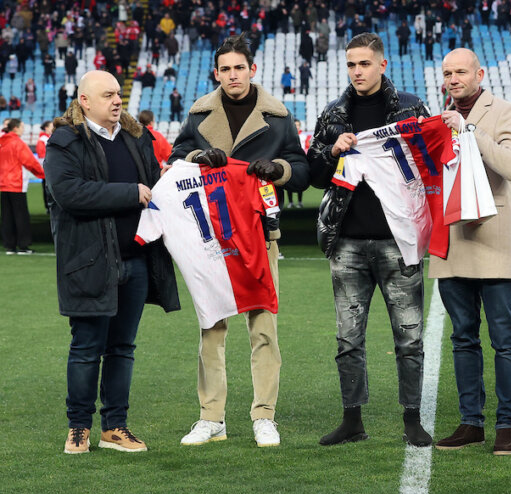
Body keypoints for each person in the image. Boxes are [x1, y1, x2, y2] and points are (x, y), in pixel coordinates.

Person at [169, 33, 309, 448]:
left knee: (263, 326)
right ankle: (211, 417)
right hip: (210, 239)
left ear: (252, 69)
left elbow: (302, 170)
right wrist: (197, 158)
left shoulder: (279, 117)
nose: (233, 75)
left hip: (260, 234)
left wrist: (278, 168)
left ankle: (264, 415)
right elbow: (175, 160)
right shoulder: (197, 117)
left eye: (239, 67)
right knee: (211, 328)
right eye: (225, 69)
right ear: (217, 73)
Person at [306, 33, 433, 448]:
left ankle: (412, 419)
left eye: (364, 63)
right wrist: (332, 151)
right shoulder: (333, 114)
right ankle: (352, 419)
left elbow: (431, 164)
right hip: (347, 243)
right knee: (348, 339)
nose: (357, 71)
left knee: (410, 338)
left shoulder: (411, 108)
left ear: (381, 64)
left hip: (399, 242)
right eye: (350, 65)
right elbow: (313, 174)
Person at [45, 71, 180, 453]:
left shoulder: (135, 138)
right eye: (107, 95)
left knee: (122, 347)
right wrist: (130, 192)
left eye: (119, 93)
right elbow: (70, 193)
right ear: (84, 101)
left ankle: (115, 426)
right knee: (86, 346)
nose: (117, 100)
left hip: (135, 261)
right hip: (89, 262)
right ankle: (78, 428)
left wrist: (162, 178)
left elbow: (151, 184)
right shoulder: (64, 141)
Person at [431, 48, 511, 456]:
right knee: (462, 338)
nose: (453, 79)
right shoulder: (437, 119)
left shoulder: (506, 112)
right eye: (448, 73)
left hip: (493, 235)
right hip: (450, 239)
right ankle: (471, 421)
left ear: (479, 73)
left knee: (504, 338)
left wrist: (469, 130)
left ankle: (507, 425)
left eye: (460, 72)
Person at [0, 119, 45, 254]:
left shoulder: (2, 143)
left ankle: (9, 245)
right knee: (21, 216)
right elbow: (30, 162)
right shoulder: (18, 143)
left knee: (7, 216)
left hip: (3, 184)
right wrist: (43, 174)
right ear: (16, 128)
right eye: (22, 127)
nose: (23, 130)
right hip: (17, 183)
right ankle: (23, 245)